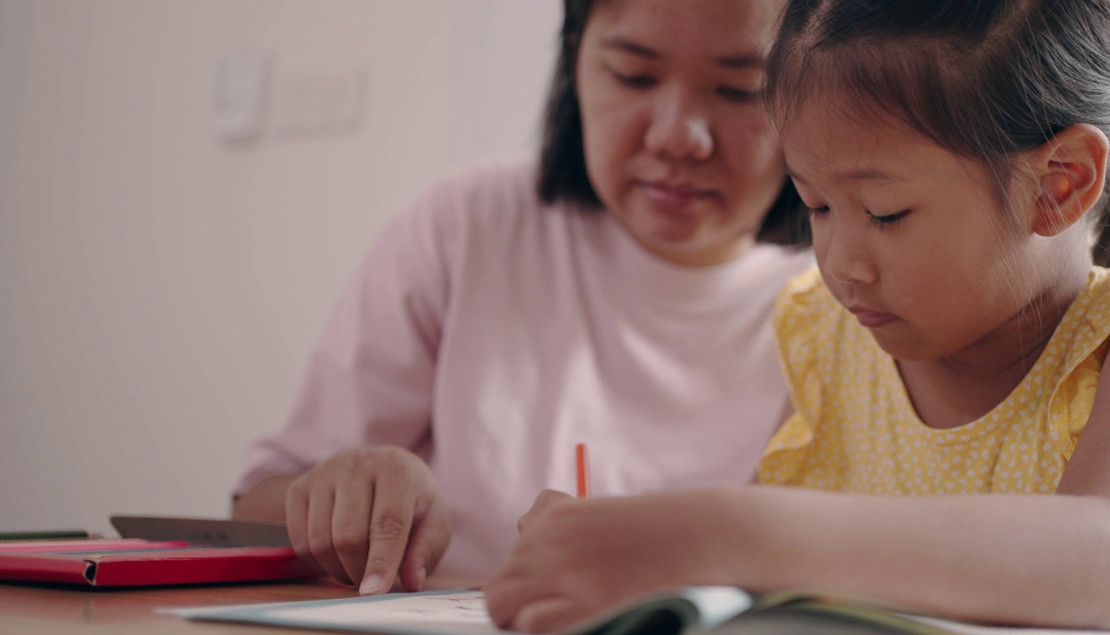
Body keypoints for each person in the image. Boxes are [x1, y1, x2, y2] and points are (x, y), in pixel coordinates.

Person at [485, 0, 1110, 633]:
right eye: (816, 205)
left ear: (1058, 185)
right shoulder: (827, 337)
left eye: (885, 212)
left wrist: (720, 532)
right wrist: (628, 552)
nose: (840, 260)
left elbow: (1109, 561)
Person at [230, 0, 812, 594]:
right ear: (574, 60)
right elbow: (253, 504)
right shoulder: (469, 226)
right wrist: (347, 495)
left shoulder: (846, 302)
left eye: (741, 90)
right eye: (634, 76)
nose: (677, 136)